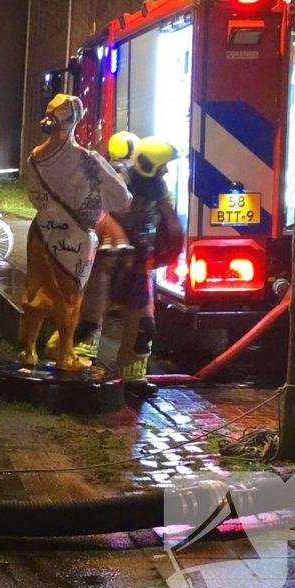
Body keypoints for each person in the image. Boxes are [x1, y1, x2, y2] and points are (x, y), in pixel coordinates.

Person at [18, 94, 131, 370]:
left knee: (36, 291)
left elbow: (34, 196)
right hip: (75, 238)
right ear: (75, 120)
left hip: (41, 231)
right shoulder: (87, 159)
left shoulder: (35, 157)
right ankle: (66, 356)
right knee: (70, 297)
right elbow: (122, 197)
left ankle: (29, 351)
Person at [109, 136, 181, 400]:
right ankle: (75, 364)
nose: (166, 171)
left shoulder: (160, 191)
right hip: (107, 261)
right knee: (88, 316)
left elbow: (169, 226)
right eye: (163, 166)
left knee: (144, 324)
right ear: (150, 165)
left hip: (139, 265)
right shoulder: (118, 182)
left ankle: (132, 376)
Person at [70, 130, 141, 359]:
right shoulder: (135, 176)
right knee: (130, 309)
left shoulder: (104, 171)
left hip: (102, 245)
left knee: (94, 301)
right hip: (124, 247)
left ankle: (82, 349)